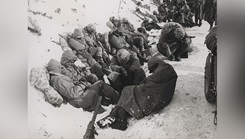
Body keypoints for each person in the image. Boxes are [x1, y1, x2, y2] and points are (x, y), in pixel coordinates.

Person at [96, 57, 178, 130]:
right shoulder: (167, 68)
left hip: (154, 97)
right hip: (161, 95)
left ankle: (121, 119)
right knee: (129, 92)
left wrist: (142, 84)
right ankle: (116, 113)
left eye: (152, 69)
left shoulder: (163, 70)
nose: (152, 71)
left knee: (127, 91)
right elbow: (156, 82)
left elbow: (152, 81)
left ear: (156, 64)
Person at [47, 59, 120, 112]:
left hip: (79, 96)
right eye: (59, 67)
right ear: (55, 68)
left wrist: (81, 83)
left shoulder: (57, 78)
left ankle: (106, 102)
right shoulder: (58, 80)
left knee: (97, 84)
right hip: (79, 100)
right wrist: (83, 84)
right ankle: (118, 101)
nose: (61, 68)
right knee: (100, 84)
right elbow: (73, 93)